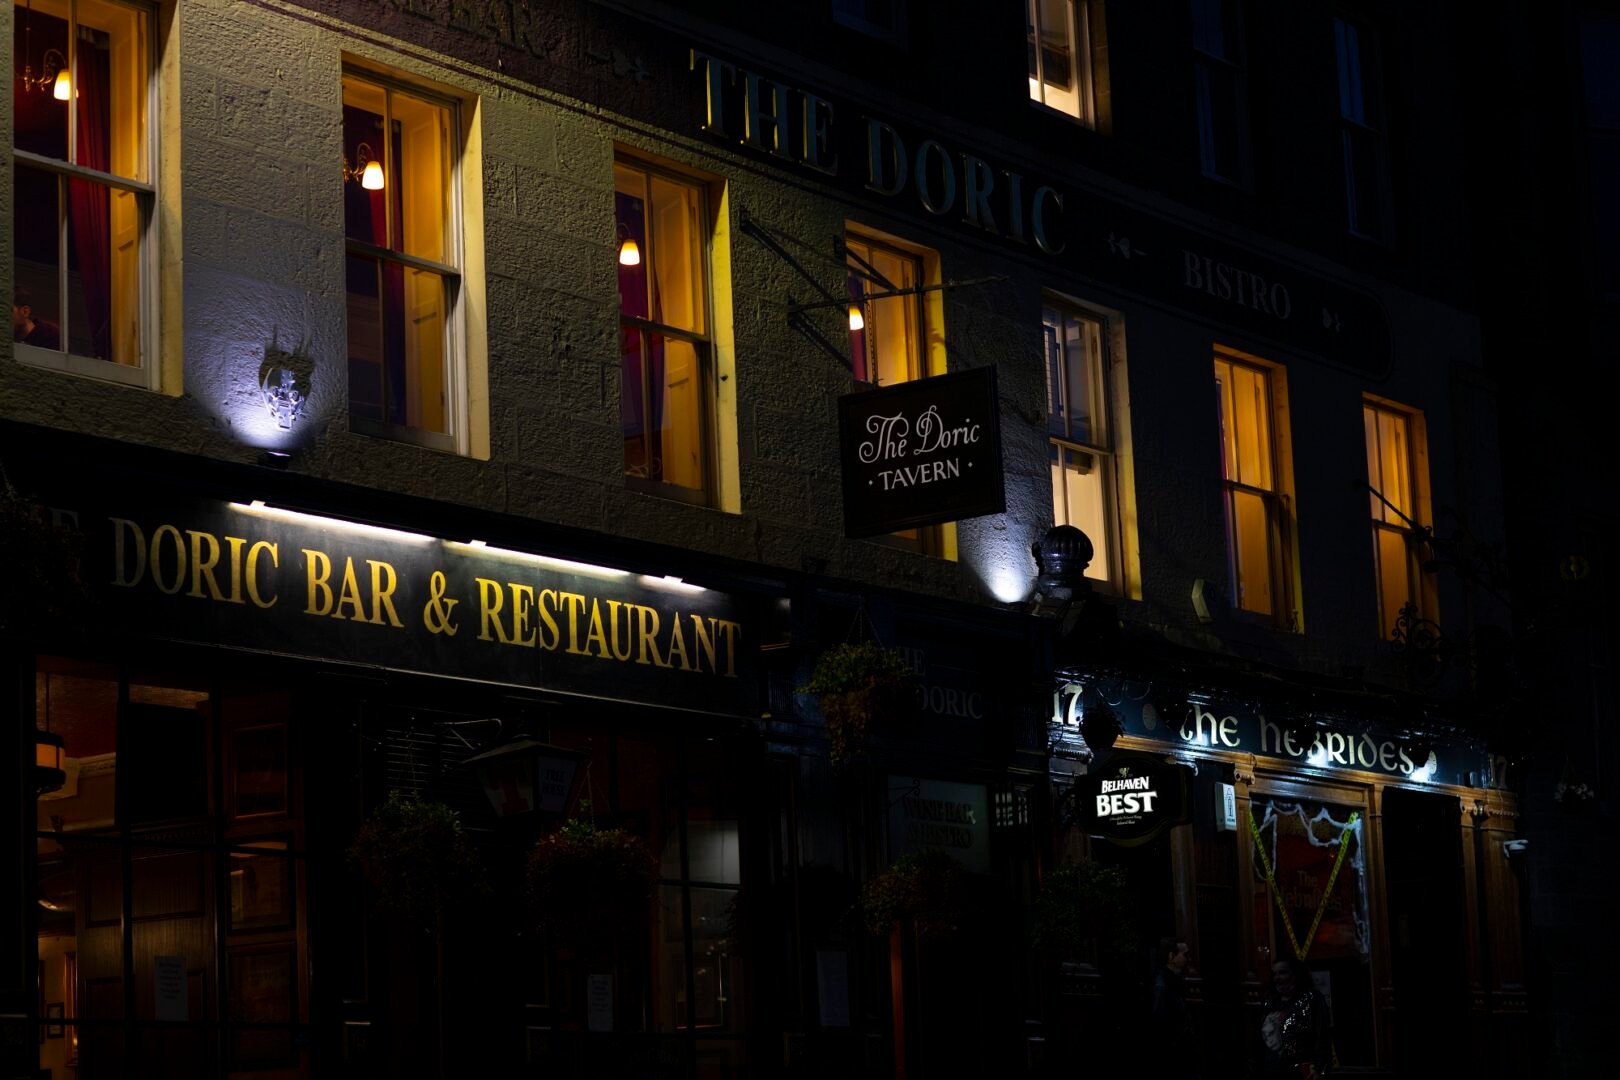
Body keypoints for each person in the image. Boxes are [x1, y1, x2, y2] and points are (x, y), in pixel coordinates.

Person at [1256, 957, 1332, 1079]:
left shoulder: (1311, 999)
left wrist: (1319, 1067)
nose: (1277, 978)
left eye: (1283, 972)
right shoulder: (1270, 1002)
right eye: (1274, 974)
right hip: (1272, 1070)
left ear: (1296, 974)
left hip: (1302, 1071)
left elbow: (1322, 1035)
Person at [1150, 937, 1199, 1079]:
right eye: (1183, 954)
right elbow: (1159, 1018)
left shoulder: (1172, 980)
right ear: (1171, 956)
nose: (1186, 959)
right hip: (1173, 1049)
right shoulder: (1163, 984)